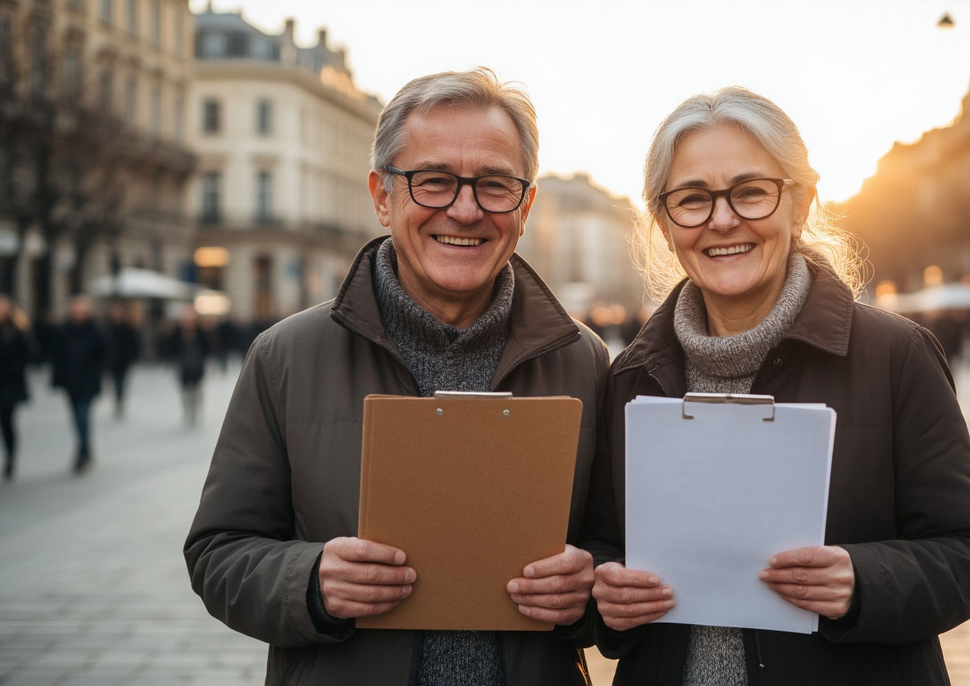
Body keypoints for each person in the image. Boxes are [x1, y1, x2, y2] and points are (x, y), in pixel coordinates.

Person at [184, 68, 609, 685]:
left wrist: (588, 591)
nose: (465, 210)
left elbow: (620, 556)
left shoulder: (585, 361)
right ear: (383, 196)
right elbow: (217, 554)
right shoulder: (285, 356)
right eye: (434, 182)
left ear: (526, 204)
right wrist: (309, 581)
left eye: (494, 185)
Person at [586, 87, 970, 684]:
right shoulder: (630, 377)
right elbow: (601, 544)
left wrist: (860, 580)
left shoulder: (896, 356)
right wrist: (606, 590)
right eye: (692, 199)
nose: (722, 219)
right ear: (663, 219)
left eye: (751, 192)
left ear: (801, 202)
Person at [51, 296, 108, 474]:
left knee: (83, 417)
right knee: (76, 418)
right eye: (75, 309)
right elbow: (57, 356)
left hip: (88, 383)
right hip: (71, 383)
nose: (78, 313)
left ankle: (82, 453)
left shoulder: (95, 330)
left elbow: (103, 355)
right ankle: (85, 449)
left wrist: (96, 374)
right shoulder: (65, 330)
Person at [0, 295, 35, 481]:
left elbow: (31, 354)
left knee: (7, 422)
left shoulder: (17, 329)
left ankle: (10, 459)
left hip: (10, 384)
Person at [162, 306, 211, 426]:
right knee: (185, 389)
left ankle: (194, 409)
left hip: (197, 364)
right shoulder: (177, 333)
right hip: (183, 365)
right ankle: (187, 410)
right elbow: (170, 347)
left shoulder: (200, 332)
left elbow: (207, 347)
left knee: (196, 389)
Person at [105, 301, 141, 419]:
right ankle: (117, 400)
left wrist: (132, 356)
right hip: (112, 361)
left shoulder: (127, 328)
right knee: (115, 382)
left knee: (122, 382)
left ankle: (120, 401)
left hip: (124, 361)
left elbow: (133, 343)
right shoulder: (108, 328)